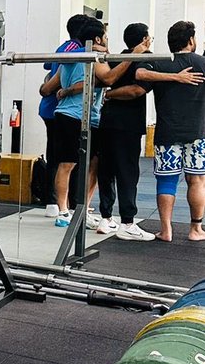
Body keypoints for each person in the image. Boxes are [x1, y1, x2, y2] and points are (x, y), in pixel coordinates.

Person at [41, 18, 140, 227]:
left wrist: (69, 88)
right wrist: (133, 56)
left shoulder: (70, 59)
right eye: (105, 36)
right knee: (69, 164)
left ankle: (78, 210)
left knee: (89, 165)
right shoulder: (95, 58)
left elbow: (46, 89)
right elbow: (110, 78)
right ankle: (64, 212)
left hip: (85, 117)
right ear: (97, 38)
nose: (107, 40)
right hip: (73, 116)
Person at [136, 20, 205, 242]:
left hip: (167, 132)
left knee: (166, 180)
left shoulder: (160, 63)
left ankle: (166, 230)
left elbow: (139, 74)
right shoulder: (203, 63)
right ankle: (196, 230)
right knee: (197, 180)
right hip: (198, 132)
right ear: (191, 41)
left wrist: (172, 76)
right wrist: (180, 77)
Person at [95, 22, 154, 241]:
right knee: (126, 173)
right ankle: (127, 222)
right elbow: (136, 90)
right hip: (126, 125)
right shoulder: (143, 60)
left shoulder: (115, 58)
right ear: (145, 40)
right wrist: (110, 95)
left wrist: (108, 95)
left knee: (107, 170)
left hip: (107, 121)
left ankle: (106, 217)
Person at [38, 15, 85, 217]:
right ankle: (54, 202)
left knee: (66, 157)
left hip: (59, 107)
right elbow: (58, 73)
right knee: (59, 156)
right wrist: (56, 87)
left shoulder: (66, 47)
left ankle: (69, 202)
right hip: (55, 107)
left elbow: (48, 65)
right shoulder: (73, 49)